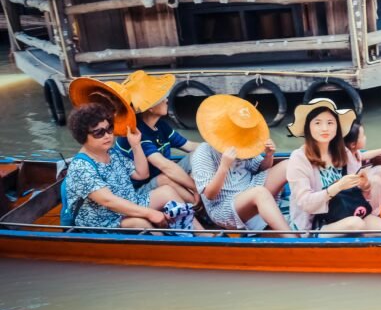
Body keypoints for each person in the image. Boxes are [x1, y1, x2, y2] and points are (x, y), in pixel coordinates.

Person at [64, 103, 189, 232]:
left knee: (167, 191)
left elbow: (142, 174)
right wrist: (149, 213)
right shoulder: (81, 167)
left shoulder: (112, 153)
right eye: (98, 133)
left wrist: (135, 145)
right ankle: (168, 248)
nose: (107, 135)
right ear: (82, 135)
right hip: (104, 221)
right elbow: (108, 201)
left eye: (109, 129)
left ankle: (198, 234)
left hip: (129, 203)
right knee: (139, 222)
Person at [190, 94, 295, 237]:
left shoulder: (245, 142)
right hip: (224, 206)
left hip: (250, 186)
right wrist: (224, 166)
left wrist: (269, 155)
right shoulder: (203, 152)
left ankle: (310, 210)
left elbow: (261, 169)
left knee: (288, 165)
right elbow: (210, 195)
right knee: (259, 192)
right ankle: (292, 238)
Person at [286, 98, 381, 236]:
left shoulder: (344, 152)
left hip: (347, 211)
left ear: (337, 127)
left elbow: (356, 194)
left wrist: (365, 186)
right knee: (356, 224)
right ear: (308, 127)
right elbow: (305, 203)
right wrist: (337, 187)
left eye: (330, 123)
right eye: (317, 123)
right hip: (315, 222)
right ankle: (318, 237)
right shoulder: (299, 158)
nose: (325, 128)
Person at [114, 71, 199, 203]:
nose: (166, 100)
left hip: (161, 176)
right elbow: (165, 166)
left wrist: (217, 147)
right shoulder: (135, 133)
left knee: (201, 152)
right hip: (139, 190)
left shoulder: (160, 125)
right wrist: (196, 188)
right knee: (167, 178)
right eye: (162, 98)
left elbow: (189, 146)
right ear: (150, 108)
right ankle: (198, 207)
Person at [342, 118, 381, 215]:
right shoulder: (346, 154)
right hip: (353, 189)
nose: (365, 138)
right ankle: (374, 212)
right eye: (362, 136)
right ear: (353, 144)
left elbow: (363, 155)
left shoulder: (355, 152)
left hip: (361, 181)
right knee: (376, 180)